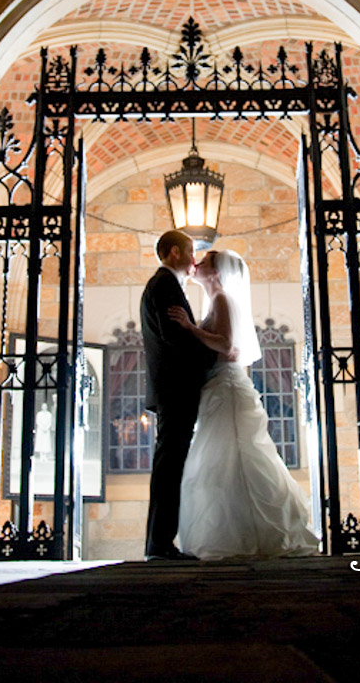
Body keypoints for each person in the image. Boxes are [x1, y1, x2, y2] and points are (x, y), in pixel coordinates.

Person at [167, 249, 321, 559]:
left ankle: (255, 535)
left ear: (217, 273)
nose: (197, 263)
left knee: (236, 457)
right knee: (223, 461)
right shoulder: (216, 300)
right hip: (217, 386)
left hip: (227, 388)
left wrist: (189, 327)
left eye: (206, 261)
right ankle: (238, 534)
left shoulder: (222, 299)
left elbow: (226, 345)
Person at [140, 230, 218, 560]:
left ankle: (158, 542)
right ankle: (160, 543)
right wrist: (213, 358)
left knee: (169, 462)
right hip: (176, 387)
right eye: (190, 252)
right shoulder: (166, 285)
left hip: (171, 387)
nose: (194, 260)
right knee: (170, 464)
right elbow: (176, 337)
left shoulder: (161, 284)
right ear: (174, 253)